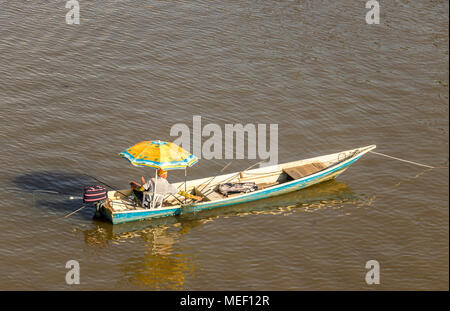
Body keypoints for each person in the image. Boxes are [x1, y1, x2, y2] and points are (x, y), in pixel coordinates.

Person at [129, 169, 202, 208]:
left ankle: (136, 200)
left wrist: (137, 186)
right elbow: (181, 193)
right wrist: (194, 197)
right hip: (157, 205)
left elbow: (141, 189)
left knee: (134, 189)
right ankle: (162, 205)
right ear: (164, 175)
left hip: (145, 204)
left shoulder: (151, 180)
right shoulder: (167, 185)